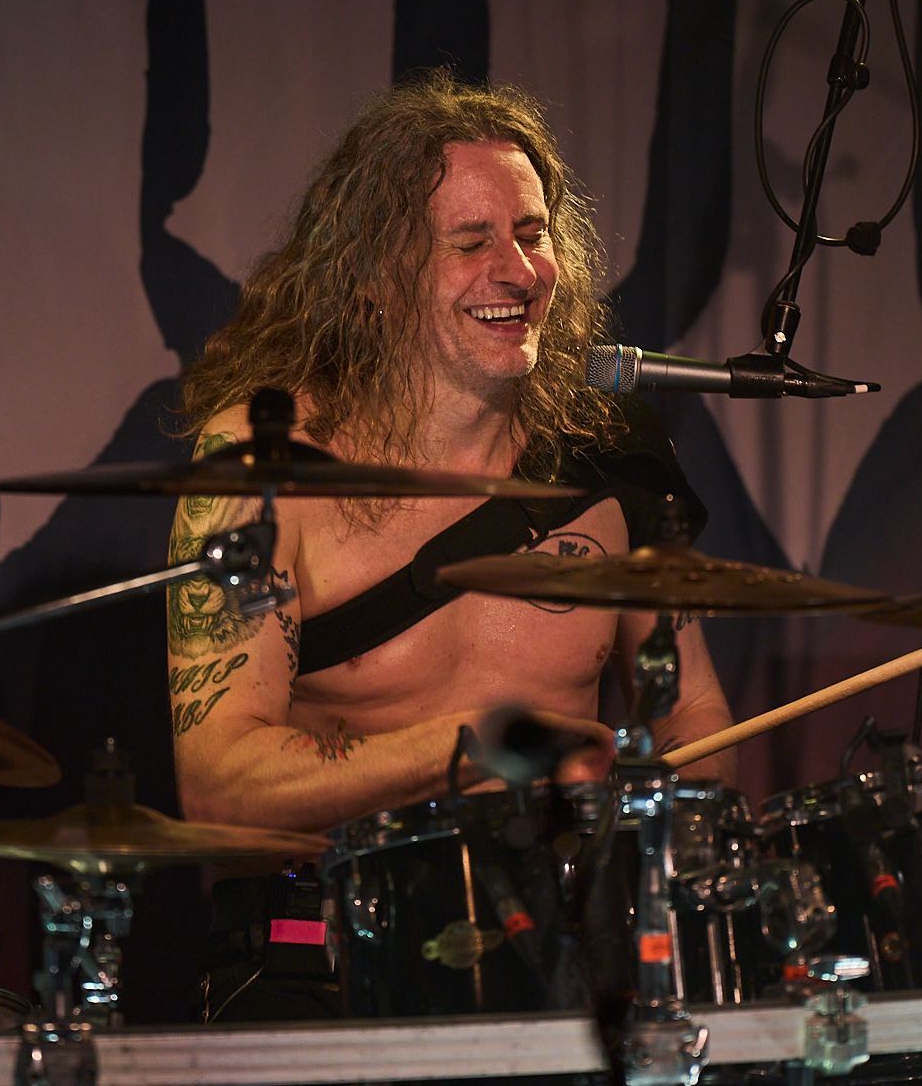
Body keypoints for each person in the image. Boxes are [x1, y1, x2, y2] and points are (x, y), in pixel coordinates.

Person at [166, 70, 734, 1017]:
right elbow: (220, 784)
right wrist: (472, 749)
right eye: (471, 243)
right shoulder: (262, 466)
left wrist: (669, 835)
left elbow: (694, 711)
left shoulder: (611, 454)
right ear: (373, 276)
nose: (518, 271)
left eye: (533, 234)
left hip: (564, 956)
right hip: (329, 960)